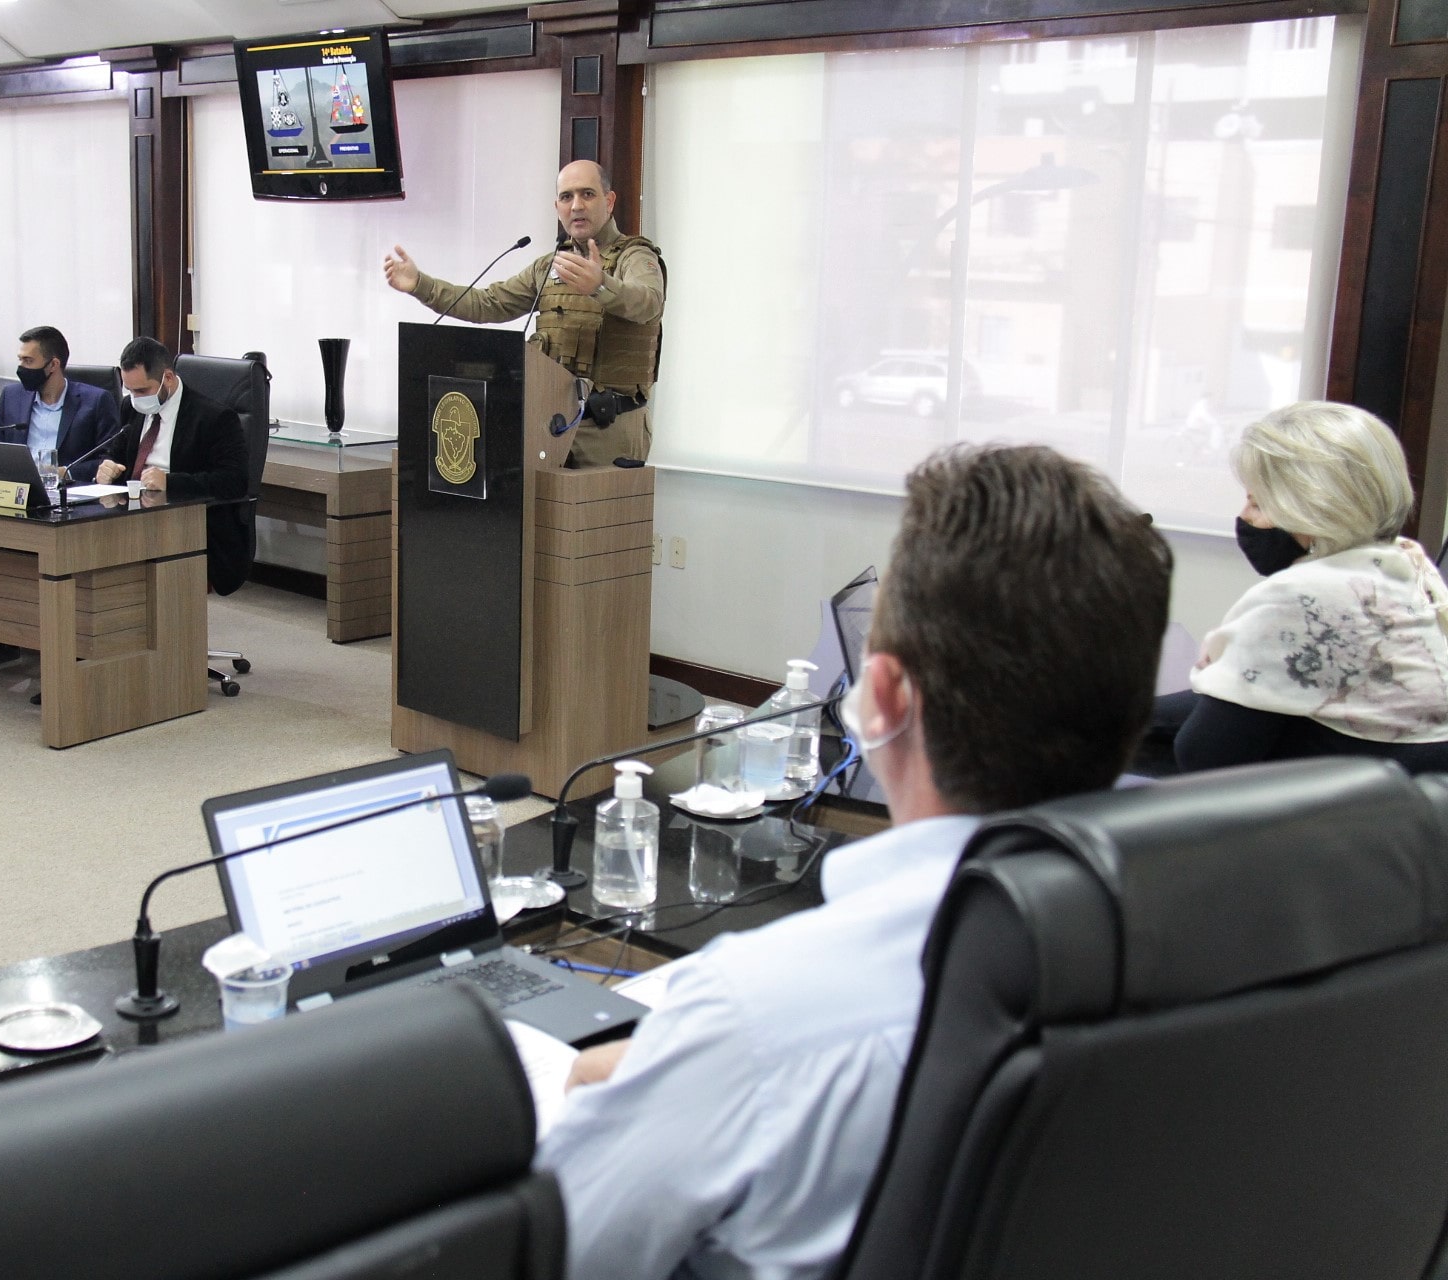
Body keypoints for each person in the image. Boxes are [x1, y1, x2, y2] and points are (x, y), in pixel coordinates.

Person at [535, 443, 1174, 1280]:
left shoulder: (758, 1012)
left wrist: (658, 1080)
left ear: (882, 697)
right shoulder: (1226, 936)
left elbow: (562, 1252)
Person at [1153, 401, 1448, 772]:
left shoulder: (1301, 596)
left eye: (1256, 502)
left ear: (1310, 510)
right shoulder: (1406, 564)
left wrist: (1223, 663)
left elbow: (1201, 755)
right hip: (1408, 801)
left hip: (1331, 814)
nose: (1245, 517)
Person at [382, 160, 664, 468]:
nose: (577, 205)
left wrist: (601, 285)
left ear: (609, 201)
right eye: (567, 197)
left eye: (588, 194)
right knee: (543, 516)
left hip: (610, 430)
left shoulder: (635, 256)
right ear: (557, 206)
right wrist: (420, 285)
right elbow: (488, 303)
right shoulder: (550, 266)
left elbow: (647, 302)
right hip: (551, 426)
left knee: (601, 517)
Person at [0, 325, 119, 678]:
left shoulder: (95, 401)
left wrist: (69, 472)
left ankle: (73, 641)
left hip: (69, 501)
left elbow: (111, 456)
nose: (21, 367)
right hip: (15, 494)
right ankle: (3, 637)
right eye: (19, 359)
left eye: (28, 360)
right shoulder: (12, 395)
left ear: (53, 364)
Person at [95, 337, 252, 595]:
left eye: (142, 391)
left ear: (167, 378)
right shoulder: (131, 408)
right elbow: (118, 451)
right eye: (129, 391)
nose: (135, 398)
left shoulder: (215, 418)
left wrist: (170, 481)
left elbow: (234, 481)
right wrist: (109, 466)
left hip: (183, 523)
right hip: (131, 514)